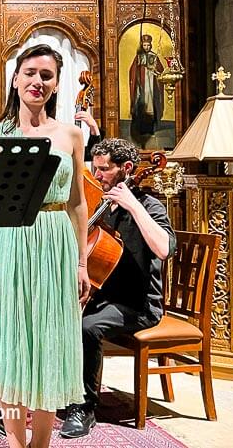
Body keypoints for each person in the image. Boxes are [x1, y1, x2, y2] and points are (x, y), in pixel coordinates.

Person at [0, 44, 89, 448]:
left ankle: (41, 444)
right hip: (10, 241)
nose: (37, 82)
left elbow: (77, 201)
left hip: (56, 242)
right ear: (16, 78)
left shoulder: (71, 135)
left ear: (57, 84)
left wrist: (81, 263)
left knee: (51, 341)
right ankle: (13, 442)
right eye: (30, 73)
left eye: (46, 75)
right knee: (11, 337)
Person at [60, 138, 176, 438]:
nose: (97, 176)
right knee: (58, 315)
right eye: (94, 168)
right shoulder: (102, 204)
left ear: (126, 168)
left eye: (104, 170)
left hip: (137, 305)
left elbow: (163, 249)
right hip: (104, 296)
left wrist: (134, 206)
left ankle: (84, 408)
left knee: (87, 328)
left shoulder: (150, 206)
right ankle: (62, 390)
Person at [129, 34, 164, 139]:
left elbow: (160, 70)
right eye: (144, 45)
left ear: (151, 45)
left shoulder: (154, 56)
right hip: (142, 86)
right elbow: (133, 71)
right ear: (142, 45)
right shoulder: (138, 57)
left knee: (152, 106)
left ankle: (151, 128)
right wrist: (138, 75)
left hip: (152, 86)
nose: (146, 47)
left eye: (148, 45)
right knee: (142, 105)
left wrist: (155, 70)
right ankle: (141, 129)